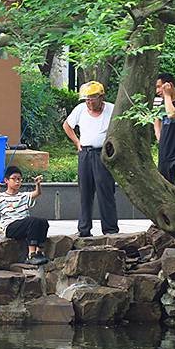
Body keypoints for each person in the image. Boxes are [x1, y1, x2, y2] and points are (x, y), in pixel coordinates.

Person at [63, 81, 119, 237]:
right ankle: (84, 229)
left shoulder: (111, 109)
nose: (89, 102)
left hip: (102, 153)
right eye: (86, 99)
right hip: (85, 153)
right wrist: (76, 141)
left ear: (101, 97)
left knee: (105, 190)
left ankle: (110, 229)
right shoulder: (80, 109)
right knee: (85, 192)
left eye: (92, 98)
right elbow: (67, 125)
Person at [0, 166, 49, 265]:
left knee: (43, 221)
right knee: (32, 221)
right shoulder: (0, 197)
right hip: (10, 227)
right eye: (14, 178)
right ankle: (31, 255)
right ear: (6, 180)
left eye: (19, 179)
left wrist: (38, 184)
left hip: (25, 226)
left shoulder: (23, 196)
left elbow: (37, 193)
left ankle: (39, 252)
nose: (17, 182)